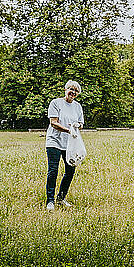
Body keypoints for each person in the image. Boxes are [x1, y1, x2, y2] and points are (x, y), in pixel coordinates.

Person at [45, 80, 84, 211]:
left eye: (76, 91)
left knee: (70, 171)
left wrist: (77, 127)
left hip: (70, 143)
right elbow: (53, 123)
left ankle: (61, 198)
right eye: (71, 89)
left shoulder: (78, 106)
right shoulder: (55, 103)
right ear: (65, 89)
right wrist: (68, 130)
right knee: (53, 171)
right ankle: (50, 201)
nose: (73, 92)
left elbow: (81, 123)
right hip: (54, 141)